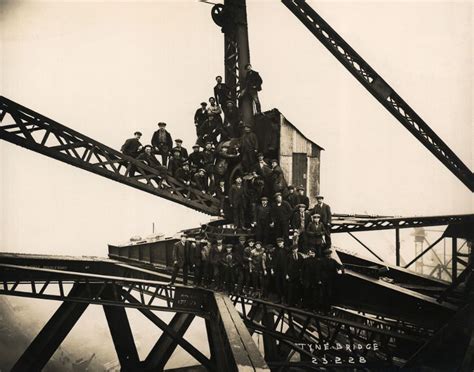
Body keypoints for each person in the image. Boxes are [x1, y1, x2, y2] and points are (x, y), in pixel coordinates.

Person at [273, 237, 288, 303]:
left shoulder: (286, 250)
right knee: (278, 284)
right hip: (277, 270)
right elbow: (274, 260)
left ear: (283, 242)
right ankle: (279, 298)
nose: (279, 244)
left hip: (285, 270)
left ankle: (284, 299)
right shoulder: (276, 250)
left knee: (284, 285)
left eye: (280, 242)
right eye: (278, 243)